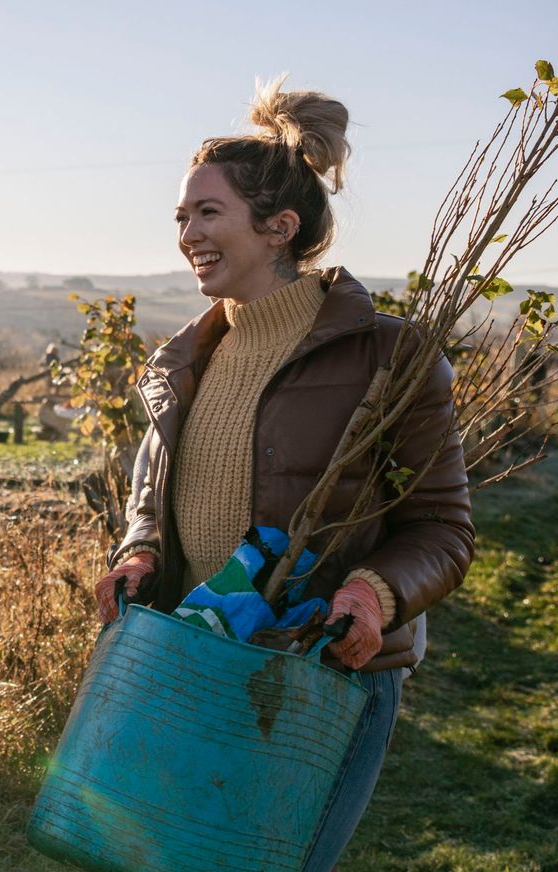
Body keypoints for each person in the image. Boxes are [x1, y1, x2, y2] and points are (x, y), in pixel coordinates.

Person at [93, 81, 474, 870]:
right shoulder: (184, 362)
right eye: (181, 217)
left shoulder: (389, 357)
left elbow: (442, 526)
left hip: (318, 673)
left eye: (207, 214)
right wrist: (139, 553)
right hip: (194, 662)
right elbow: (150, 501)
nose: (187, 234)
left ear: (279, 228)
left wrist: (370, 594)